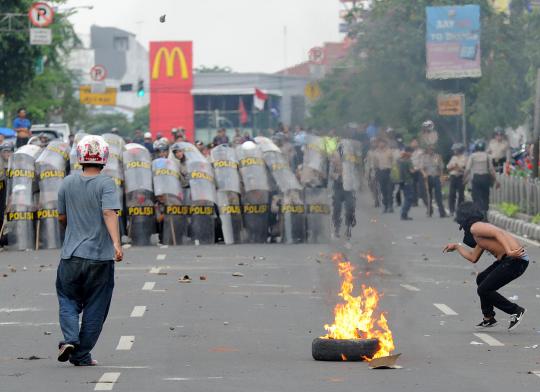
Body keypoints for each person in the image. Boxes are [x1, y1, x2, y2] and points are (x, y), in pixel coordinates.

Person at [56, 135, 123, 366]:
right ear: (104, 157)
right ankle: (82, 355)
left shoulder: (66, 183)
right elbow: (109, 213)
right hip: (100, 258)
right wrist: (116, 243)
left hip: (70, 257)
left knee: (67, 299)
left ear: (80, 157)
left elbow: (62, 217)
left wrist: (74, 228)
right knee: (96, 305)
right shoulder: (106, 183)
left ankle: (70, 340)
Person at [443, 202, 528, 330]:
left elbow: (498, 233)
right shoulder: (479, 235)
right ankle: (488, 318)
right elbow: (473, 257)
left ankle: (515, 310)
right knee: (481, 279)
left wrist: (509, 251)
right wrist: (456, 247)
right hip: (509, 260)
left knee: (483, 289)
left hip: (514, 260)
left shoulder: (475, 227)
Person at [329, 142, 356, 240]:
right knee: (337, 209)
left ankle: (348, 228)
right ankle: (337, 228)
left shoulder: (351, 159)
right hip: (338, 186)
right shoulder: (334, 159)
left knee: (350, 208)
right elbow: (331, 173)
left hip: (348, 187)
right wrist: (338, 176)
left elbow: (355, 171)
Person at [465, 140, 497, 217]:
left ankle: (479, 212)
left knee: (476, 196)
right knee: (485, 196)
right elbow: (491, 169)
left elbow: (468, 169)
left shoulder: (472, 156)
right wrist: (496, 180)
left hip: (476, 178)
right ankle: (485, 212)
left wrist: (464, 178)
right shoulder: (488, 156)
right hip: (485, 178)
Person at [422, 146, 447, 218]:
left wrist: (442, 179)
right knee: (428, 196)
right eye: (429, 149)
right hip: (428, 178)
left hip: (436, 177)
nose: (430, 151)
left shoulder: (437, 157)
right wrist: (424, 174)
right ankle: (429, 211)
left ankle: (442, 213)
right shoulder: (424, 157)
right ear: (427, 150)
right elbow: (422, 168)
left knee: (438, 196)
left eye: (432, 149)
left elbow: (441, 168)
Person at [373, 138, 394, 213]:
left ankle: (390, 206)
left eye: (382, 143)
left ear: (385, 143)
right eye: (379, 143)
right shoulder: (375, 153)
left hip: (388, 171)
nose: (381, 144)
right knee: (383, 190)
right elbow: (375, 164)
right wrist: (376, 173)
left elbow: (393, 161)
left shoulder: (389, 151)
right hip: (380, 172)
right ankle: (385, 205)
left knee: (390, 190)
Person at [447, 143, 467, 215]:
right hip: (453, 176)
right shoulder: (453, 158)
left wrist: (458, 168)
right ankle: (451, 210)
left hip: (460, 176)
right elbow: (448, 167)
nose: (454, 151)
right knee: (452, 194)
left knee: (461, 194)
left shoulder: (464, 158)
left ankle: (460, 209)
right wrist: (453, 167)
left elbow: (465, 169)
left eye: (456, 150)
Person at [399, 147, 415, 220]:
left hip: (402, 181)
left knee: (406, 197)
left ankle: (403, 213)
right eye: (411, 152)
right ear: (408, 152)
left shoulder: (400, 160)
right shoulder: (408, 161)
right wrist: (415, 169)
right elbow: (412, 171)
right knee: (409, 198)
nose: (412, 154)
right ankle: (404, 214)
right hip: (408, 181)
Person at [410, 139, 427, 208]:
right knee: (413, 187)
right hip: (412, 171)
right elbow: (410, 162)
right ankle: (414, 201)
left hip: (420, 170)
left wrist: (417, 169)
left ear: (418, 144)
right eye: (413, 142)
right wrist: (411, 169)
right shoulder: (411, 153)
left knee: (421, 186)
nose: (414, 144)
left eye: (415, 142)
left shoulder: (421, 152)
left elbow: (422, 162)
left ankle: (425, 200)